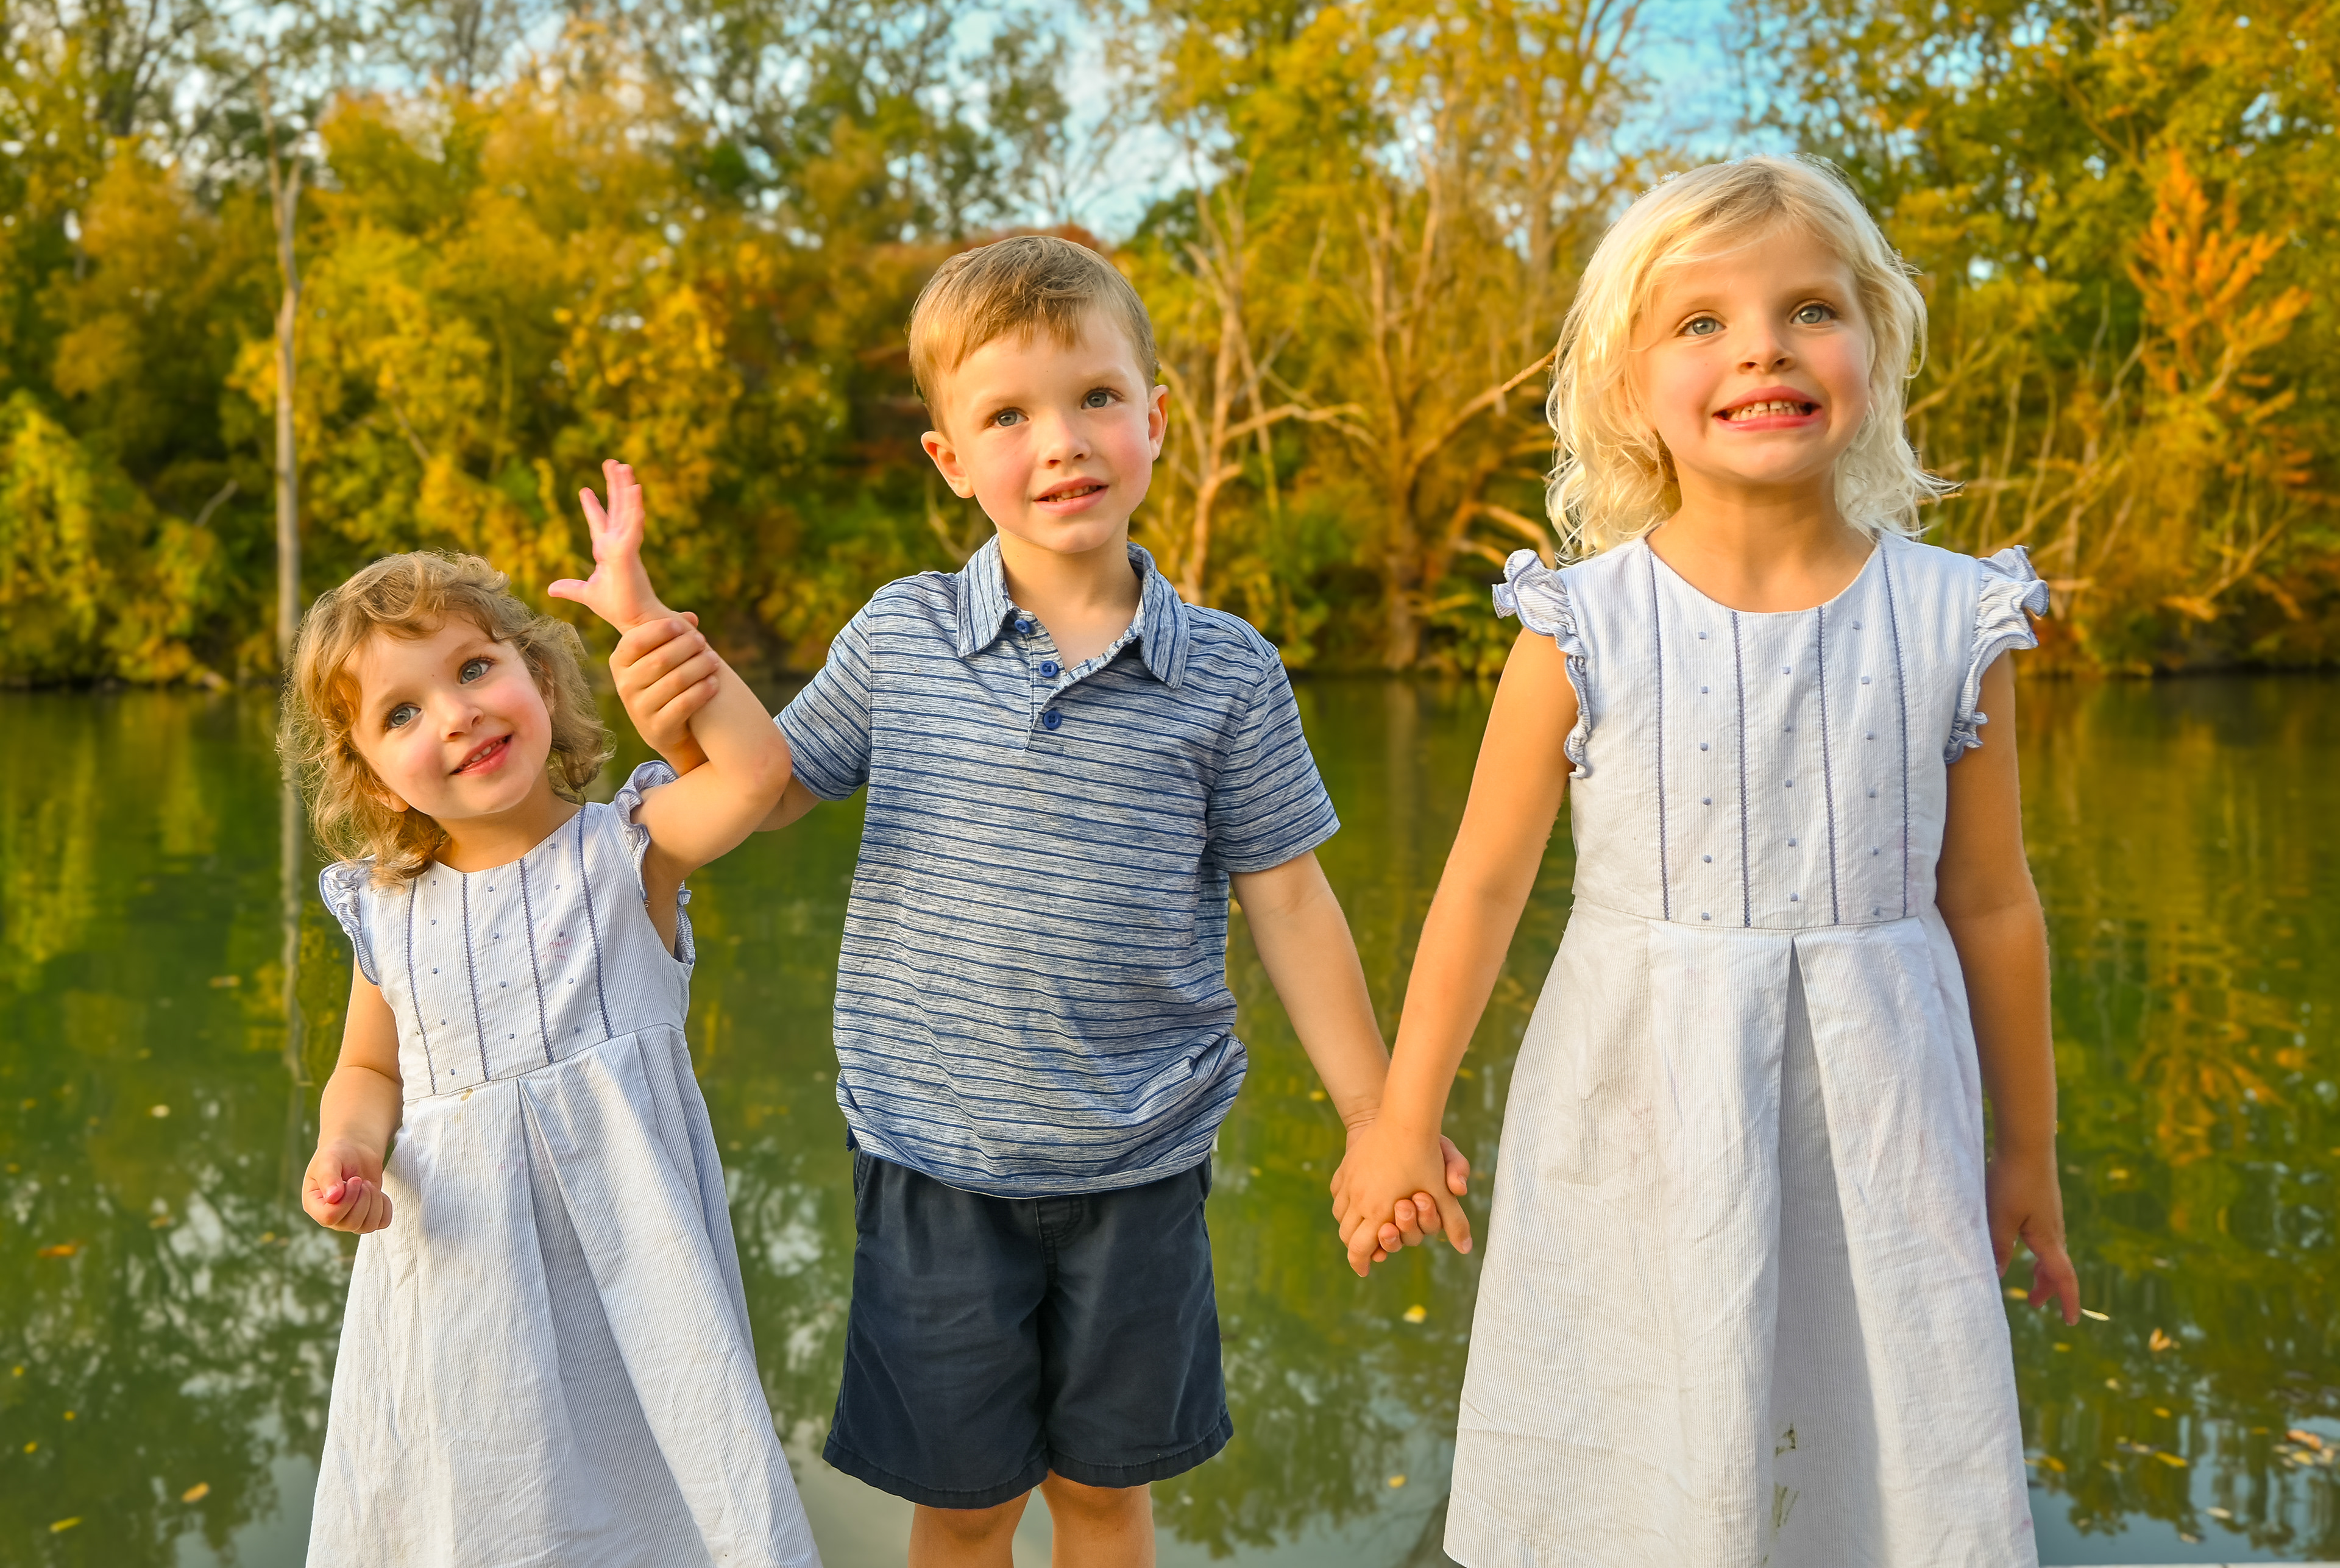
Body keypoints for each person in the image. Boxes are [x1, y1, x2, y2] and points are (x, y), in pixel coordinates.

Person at [608, 233, 1463, 1568]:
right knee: (962, 1510)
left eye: (1095, 398)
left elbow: (1290, 904)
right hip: (933, 1158)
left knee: (1109, 1500)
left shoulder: (1228, 673)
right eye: (1008, 414)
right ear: (950, 459)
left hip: (1144, 1167)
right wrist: (682, 684)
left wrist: (1376, 1117)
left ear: (1155, 422)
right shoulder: (901, 635)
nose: (1059, 439)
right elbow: (770, 788)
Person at [1330, 156, 2083, 1566]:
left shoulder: (1954, 617)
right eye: (1702, 324)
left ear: (1875, 346)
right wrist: (1396, 1114)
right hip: (1636, 1105)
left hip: (1880, 1126)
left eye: (1811, 310)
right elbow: (1484, 887)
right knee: (1644, 1453)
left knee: (1881, 1453)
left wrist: (2027, 1150)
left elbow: (1991, 903)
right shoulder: (1578, 625)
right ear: (1626, 383)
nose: (1761, 348)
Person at [286, 466, 821, 1567]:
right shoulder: (391, 912)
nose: (459, 712)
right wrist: (347, 1149)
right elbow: (368, 1070)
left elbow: (759, 773)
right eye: (403, 711)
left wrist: (643, 618)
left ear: (538, 675)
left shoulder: (628, 851)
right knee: (482, 1516)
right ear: (376, 778)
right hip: (460, 1288)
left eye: (476, 667)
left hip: (638, 1288)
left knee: (664, 1516)